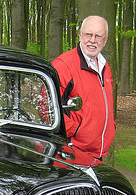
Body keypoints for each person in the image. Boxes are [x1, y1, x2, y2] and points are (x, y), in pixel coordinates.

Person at [52, 15, 116, 160]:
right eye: (88, 34)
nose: (92, 40)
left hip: (97, 152)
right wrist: (75, 130)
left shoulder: (104, 67)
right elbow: (46, 106)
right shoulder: (64, 66)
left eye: (98, 36)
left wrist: (110, 128)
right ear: (80, 34)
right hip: (72, 152)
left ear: (105, 40)